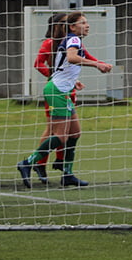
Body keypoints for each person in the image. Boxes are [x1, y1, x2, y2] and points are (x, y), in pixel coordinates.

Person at [17, 12, 113, 188]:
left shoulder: (71, 40)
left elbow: (63, 65)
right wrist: (97, 64)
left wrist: (73, 81)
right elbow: (72, 58)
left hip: (63, 90)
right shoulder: (73, 39)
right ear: (72, 27)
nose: (87, 25)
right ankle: (28, 163)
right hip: (57, 91)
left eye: (87, 22)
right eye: (83, 22)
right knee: (59, 135)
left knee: (74, 133)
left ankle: (67, 174)